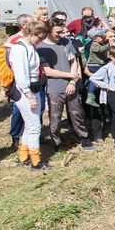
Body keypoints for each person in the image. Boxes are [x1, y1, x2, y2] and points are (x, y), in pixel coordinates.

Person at [39, 20, 93, 151]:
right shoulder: (41, 47)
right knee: (55, 116)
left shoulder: (66, 43)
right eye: (58, 32)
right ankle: (57, 141)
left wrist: (73, 82)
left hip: (71, 85)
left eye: (63, 31)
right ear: (48, 31)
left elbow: (74, 62)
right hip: (54, 87)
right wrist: (71, 76)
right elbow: (48, 71)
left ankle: (83, 137)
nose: (62, 34)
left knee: (76, 112)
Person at [8, 21, 50, 171]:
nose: (41, 40)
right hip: (25, 91)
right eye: (40, 37)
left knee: (29, 125)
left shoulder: (31, 47)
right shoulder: (20, 49)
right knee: (35, 126)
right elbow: (20, 74)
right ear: (32, 33)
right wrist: (29, 96)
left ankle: (23, 157)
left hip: (34, 88)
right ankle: (36, 161)